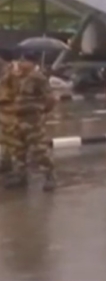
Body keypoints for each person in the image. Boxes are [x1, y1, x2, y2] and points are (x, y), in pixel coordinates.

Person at [0, 49, 57, 190]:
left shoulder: (38, 78)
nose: (21, 63)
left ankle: (49, 176)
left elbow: (50, 98)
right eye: (20, 60)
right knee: (18, 149)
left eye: (25, 61)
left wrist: (42, 111)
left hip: (32, 121)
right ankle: (20, 176)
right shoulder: (13, 76)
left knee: (39, 150)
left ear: (32, 63)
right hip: (15, 120)